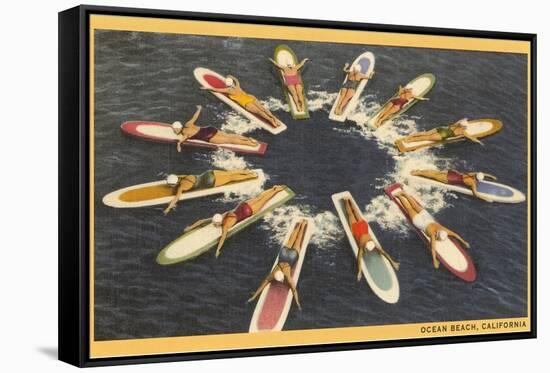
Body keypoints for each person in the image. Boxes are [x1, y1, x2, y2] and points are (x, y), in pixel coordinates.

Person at [183, 185, 287, 257]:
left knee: (264, 200)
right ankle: (273, 189)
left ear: (218, 222)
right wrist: (190, 227)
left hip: (247, 211)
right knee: (259, 197)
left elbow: (222, 238)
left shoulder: (225, 225)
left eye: (215, 224)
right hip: (243, 205)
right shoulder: (223, 215)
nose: (215, 225)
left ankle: (278, 190)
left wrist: (218, 250)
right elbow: (201, 221)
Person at [395, 191, 470, 269]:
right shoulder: (433, 235)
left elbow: (456, 235)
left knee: (415, 205)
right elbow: (433, 249)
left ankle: (404, 194)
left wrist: (464, 242)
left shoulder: (443, 230)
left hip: (427, 218)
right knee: (409, 209)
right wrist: (435, 261)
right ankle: (399, 196)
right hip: (421, 223)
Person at [247, 219, 309, 310]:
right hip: (283, 254)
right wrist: (297, 303)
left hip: (292, 257)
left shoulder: (282, 276)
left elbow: (294, 290)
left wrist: (253, 298)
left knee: (298, 240)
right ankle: (301, 224)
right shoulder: (275, 274)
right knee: (292, 238)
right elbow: (294, 290)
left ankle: (302, 225)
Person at [343, 198, 399, 281]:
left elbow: (384, 253)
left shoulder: (371, 244)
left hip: (363, 226)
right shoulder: (363, 245)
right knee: (350, 214)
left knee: (356, 213)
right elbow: (359, 259)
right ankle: (345, 201)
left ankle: (349, 200)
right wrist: (359, 272)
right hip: (357, 229)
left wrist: (393, 262)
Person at [163, 169, 258, 215]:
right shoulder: (184, 176)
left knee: (231, 178)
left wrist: (168, 208)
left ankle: (251, 177)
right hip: (208, 173)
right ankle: (248, 172)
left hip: (210, 181)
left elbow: (176, 199)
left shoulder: (181, 187)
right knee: (229, 173)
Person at [201, 75, 282, 128]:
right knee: (263, 109)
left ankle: (272, 121)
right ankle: (275, 118)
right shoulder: (237, 86)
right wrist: (231, 76)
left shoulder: (228, 90)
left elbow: (216, 89)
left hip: (246, 102)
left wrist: (206, 88)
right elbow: (236, 80)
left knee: (259, 112)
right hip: (250, 97)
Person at [171, 105, 258, 152]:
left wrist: (179, 146)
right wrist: (199, 109)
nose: (174, 131)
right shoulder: (188, 124)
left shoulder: (185, 133)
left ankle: (251, 144)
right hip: (209, 129)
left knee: (229, 140)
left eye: (174, 129)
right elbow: (195, 116)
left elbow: (181, 141)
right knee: (229, 135)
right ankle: (248, 139)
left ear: (178, 128)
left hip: (209, 136)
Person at [411, 169, 497, 203]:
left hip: (452, 173)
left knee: (436, 173)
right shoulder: (472, 183)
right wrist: (486, 198)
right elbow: (476, 194)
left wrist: (491, 176)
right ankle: (417, 173)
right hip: (450, 179)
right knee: (434, 176)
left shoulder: (473, 174)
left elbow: (482, 173)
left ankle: (420, 171)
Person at [401, 118, 483, 145]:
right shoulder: (463, 132)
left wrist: (465, 119)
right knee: (425, 138)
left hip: (441, 129)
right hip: (442, 135)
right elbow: (472, 138)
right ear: (464, 127)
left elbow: (462, 119)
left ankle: (408, 137)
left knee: (424, 133)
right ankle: (408, 141)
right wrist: (479, 141)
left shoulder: (456, 124)